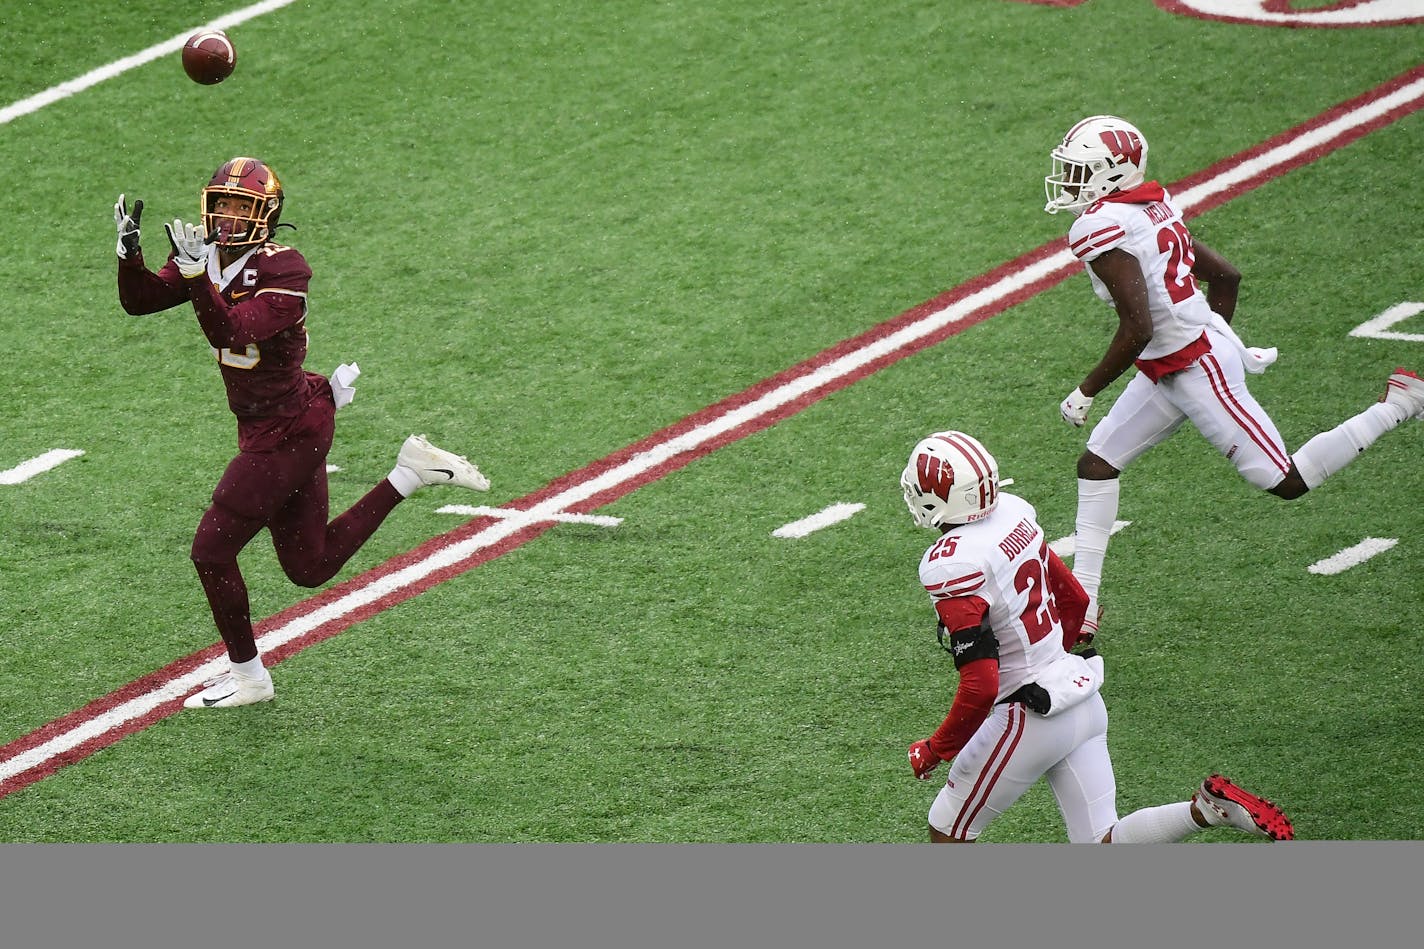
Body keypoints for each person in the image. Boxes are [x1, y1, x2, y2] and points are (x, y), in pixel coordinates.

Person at [115, 157, 492, 709]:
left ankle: (249, 677)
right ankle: (410, 472)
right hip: (285, 421)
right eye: (221, 204)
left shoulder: (284, 268)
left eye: (241, 206)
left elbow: (230, 327)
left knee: (211, 553)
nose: (226, 218)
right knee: (309, 566)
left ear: (266, 213)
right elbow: (140, 301)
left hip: (287, 429)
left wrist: (197, 277)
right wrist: (129, 254)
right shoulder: (207, 254)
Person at [1043, 115, 1424, 638]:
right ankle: (1082, 612)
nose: (1068, 182)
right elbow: (1225, 275)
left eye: (1079, 171)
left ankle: (1400, 402)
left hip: (1194, 366)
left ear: (1112, 174)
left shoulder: (1102, 225)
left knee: (1285, 482)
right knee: (1097, 464)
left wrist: (1087, 389)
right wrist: (1204, 332)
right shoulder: (1150, 205)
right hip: (1177, 360)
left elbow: (1138, 324)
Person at [900, 430, 1294, 842]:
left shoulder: (951, 563)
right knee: (1101, 840)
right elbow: (1074, 599)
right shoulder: (1015, 514)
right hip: (1081, 696)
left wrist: (935, 748)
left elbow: (981, 684)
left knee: (947, 828)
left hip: (1028, 714)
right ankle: (1205, 811)